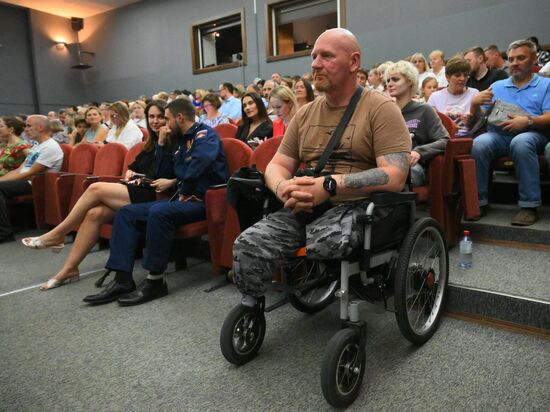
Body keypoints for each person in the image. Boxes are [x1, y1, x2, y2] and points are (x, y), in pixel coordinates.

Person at [231, 28, 411, 309]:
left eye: (326, 56)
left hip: (363, 206)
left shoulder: (381, 109)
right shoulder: (305, 114)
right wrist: (282, 187)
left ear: (353, 62)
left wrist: (330, 186)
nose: (315, 64)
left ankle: (353, 303)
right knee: (248, 243)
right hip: (309, 204)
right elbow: (277, 165)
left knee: (325, 240)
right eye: (314, 56)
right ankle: (251, 306)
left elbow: (395, 175)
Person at [82, 97, 228, 306]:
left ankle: (155, 282)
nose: (163, 124)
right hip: (181, 199)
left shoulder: (205, 135)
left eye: (167, 119)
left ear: (179, 117)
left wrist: (183, 189)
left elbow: (198, 165)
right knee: (126, 213)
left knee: (159, 212)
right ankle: (122, 279)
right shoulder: (179, 141)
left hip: (202, 200)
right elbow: (162, 172)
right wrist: (160, 144)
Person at [22, 101, 177, 290]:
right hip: (140, 190)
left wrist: (161, 143)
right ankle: (69, 269)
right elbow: (135, 166)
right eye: (151, 116)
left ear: (170, 116)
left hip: (161, 195)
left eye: (160, 116)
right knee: (94, 213)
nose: (155, 121)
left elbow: (165, 171)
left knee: (95, 188)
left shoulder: (175, 140)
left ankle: (58, 234)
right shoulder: (150, 143)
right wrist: (130, 172)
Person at [471, 39, 550, 226]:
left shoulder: (545, 85)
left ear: (533, 60)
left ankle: (529, 205)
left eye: (521, 58)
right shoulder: (497, 86)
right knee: (479, 143)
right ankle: (479, 202)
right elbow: (478, 119)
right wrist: (474, 104)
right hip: (499, 135)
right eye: (512, 59)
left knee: (521, 142)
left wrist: (528, 121)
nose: (514, 63)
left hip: (534, 133)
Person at [0, 115, 63, 243]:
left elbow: (30, 173)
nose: (25, 129)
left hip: (35, 183)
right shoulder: (37, 146)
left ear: (40, 128)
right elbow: (19, 170)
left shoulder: (50, 147)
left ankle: (5, 233)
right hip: (26, 181)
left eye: (29, 126)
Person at [386, 61, 449, 187]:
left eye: (395, 79)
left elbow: (445, 140)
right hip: (384, 164)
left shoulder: (424, 110)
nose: (390, 84)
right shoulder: (385, 112)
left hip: (412, 167)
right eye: (388, 81)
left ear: (409, 81)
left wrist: (419, 152)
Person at [427, 55, 479, 137]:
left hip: (469, 137)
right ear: (447, 77)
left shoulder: (474, 94)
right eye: (457, 75)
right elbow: (430, 126)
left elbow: (481, 123)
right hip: (444, 139)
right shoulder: (435, 97)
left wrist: (472, 121)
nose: (462, 79)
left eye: (465, 75)